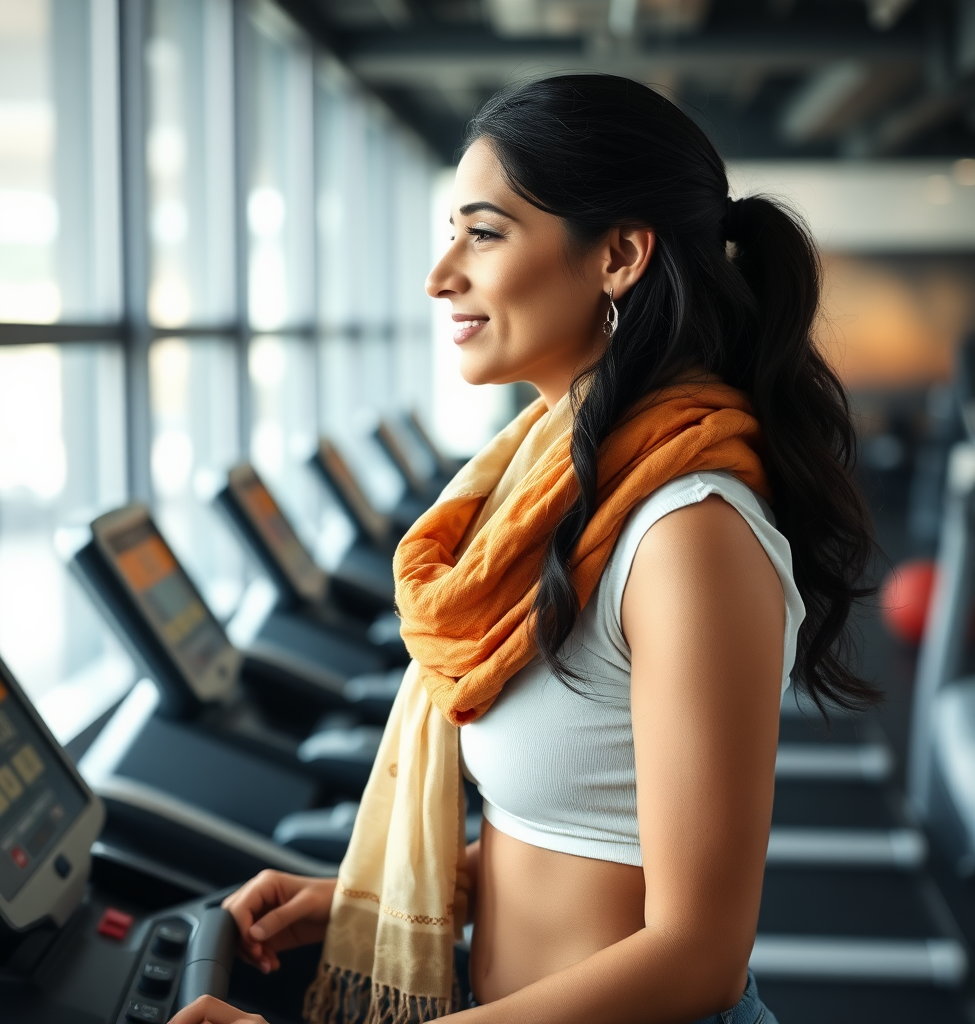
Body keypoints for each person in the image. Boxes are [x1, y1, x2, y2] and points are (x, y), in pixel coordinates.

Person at [170, 74, 878, 1024]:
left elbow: (697, 955)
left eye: (485, 233)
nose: (441, 274)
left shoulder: (686, 534)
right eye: (451, 232)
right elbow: (564, 842)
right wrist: (357, 898)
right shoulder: (544, 488)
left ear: (620, 255)